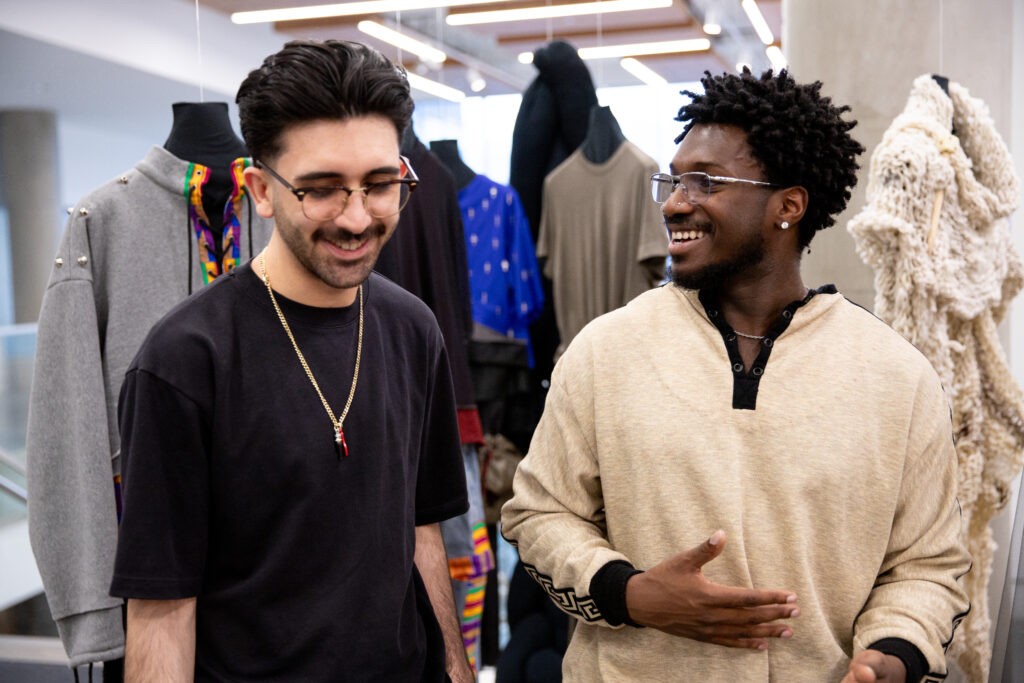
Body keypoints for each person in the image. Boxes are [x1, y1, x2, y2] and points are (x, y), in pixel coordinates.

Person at [501, 69, 971, 683]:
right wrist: (629, 593)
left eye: (706, 183)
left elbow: (928, 564)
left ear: (788, 206)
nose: (674, 202)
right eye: (671, 181)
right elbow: (538, 514)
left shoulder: (896, 377)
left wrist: (894, 655)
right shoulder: (604, 351)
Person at [109, 40, 474, 682]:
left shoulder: (415, 330)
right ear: (261, 190)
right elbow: (163, 606)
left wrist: (457, 671)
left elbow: (422, 535)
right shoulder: (183, 360)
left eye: (381, 184)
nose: (357, 217)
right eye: (322, 191)